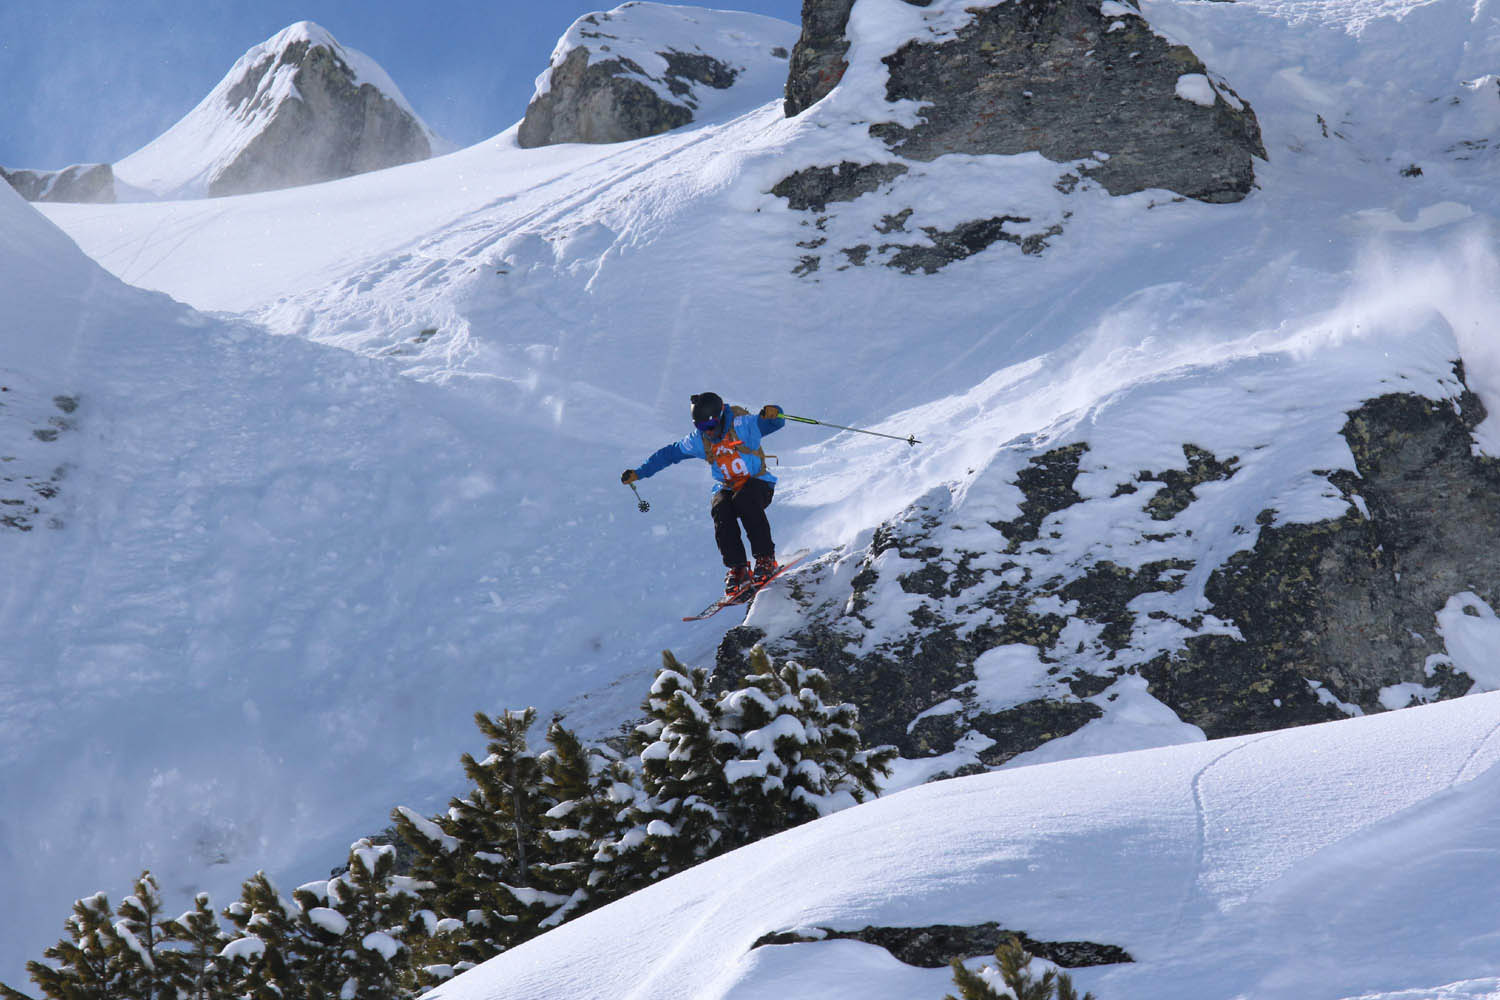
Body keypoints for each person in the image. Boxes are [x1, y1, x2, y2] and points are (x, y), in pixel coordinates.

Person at [622, 392, 786, 594]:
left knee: (745, 499)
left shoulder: (742, 425)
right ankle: (738, 569)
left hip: (758, 484)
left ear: (720, 417)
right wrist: (640, 473)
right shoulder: (699, 440)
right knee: (720, 508)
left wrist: (775, 412)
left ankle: (765, 558)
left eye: (710, 425)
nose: (708, 431)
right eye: (701, 427)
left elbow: (775, 423)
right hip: (729, 487)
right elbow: (669, 454)